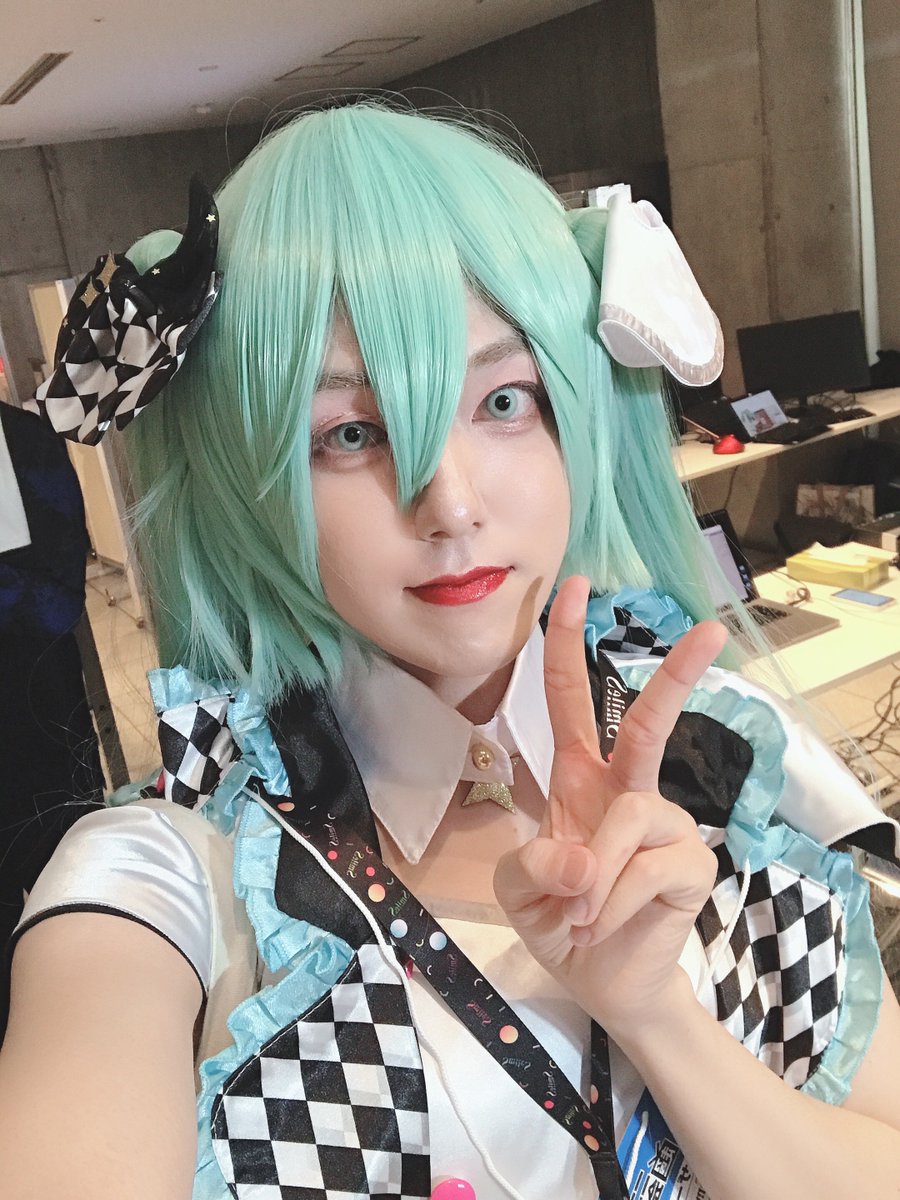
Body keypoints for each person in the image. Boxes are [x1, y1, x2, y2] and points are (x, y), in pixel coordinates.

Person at [2, 103, 899, 1200]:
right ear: (246, 483)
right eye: (350, 434)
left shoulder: (724, 756)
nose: (452, 503)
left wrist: (657, 1014)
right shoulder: (170, 880)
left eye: (505, 400)